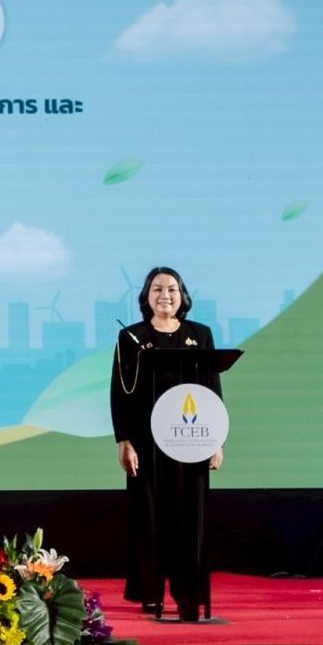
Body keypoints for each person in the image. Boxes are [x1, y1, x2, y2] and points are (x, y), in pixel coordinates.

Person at [110, 266, 224, 622]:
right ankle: (151, 591)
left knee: (191, 519)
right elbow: (119, 392)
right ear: (146, 296)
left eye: (172, 289)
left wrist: (216, 440)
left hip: (192, 440)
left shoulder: (199, 335)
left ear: (182, 295)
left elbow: (212, 388)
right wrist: (124, 441)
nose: (165, 295)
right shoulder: (131, 337)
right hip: (147, 445)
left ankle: (190, 594)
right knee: (149, 519)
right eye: (157, 289)